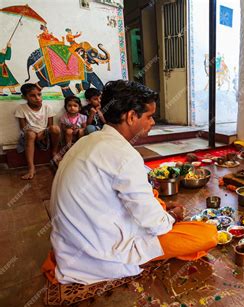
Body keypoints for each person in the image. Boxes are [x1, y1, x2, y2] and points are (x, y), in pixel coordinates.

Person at [42, 80, 217, 285]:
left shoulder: (89, 140)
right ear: (131, 116)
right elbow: (157, 226)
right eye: (150, 116)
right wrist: (170, 216)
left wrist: (158, 209)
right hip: (101, 254)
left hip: (72, 243)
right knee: (207, 234)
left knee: (154, 199)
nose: (153, 122)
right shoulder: (124, 155)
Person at [15, 84, 61, 179]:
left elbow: (49, 126)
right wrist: (35, 133)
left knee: (55, 128)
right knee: (30, 134)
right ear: (24, 97)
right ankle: (31, 168)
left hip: (44, 133)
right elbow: (23, 128)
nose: (37, 98)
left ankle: (54, 152)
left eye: (39, 94)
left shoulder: (47, 107)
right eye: (32, 96)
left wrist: (42, 133)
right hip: (30, 135)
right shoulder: (21, 108)